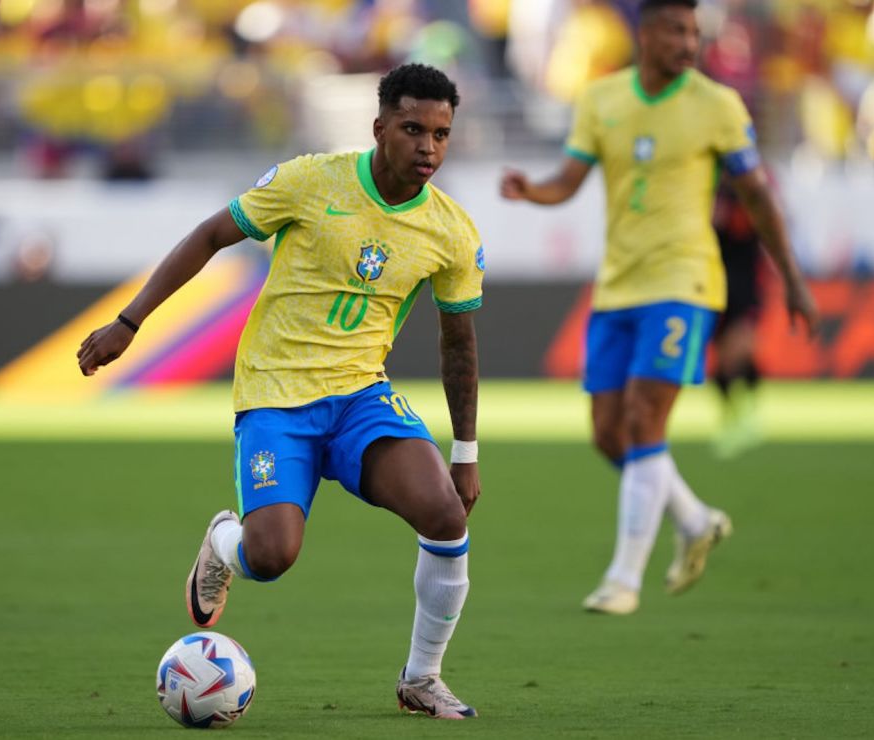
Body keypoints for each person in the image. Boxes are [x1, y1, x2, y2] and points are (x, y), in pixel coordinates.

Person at [77, 63, 484, 718]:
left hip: (359, 397)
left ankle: (421, 677)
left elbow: (458, 344)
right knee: (270, 557)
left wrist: (465, 451)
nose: (428, 148)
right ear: (379, 128)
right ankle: (224, 544)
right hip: (276, 394)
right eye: (413, 129)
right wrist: (130, 321)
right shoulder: (309, 180)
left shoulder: (452, 231)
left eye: (441, 134)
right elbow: (212, 234)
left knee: (445, 513)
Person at [500, 0, 818, 615]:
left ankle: (624, 579)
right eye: (677, 30)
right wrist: (531, 190)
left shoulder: (718, 105)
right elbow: (570, 179)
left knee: (645, 421)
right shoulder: (601, 100)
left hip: (685, 281)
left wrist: (795, 279)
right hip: (618, 285)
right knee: (606, 435)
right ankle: (695, 520)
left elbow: (757, 195)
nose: (689, 42)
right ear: (646, 35)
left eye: (695, 32)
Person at [711, 182, 765, 458]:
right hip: (714, 290)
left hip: (745, 291)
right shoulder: (710, 191)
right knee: (721, 364)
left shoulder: (750, 194)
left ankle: (747, 417)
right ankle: (731, 418)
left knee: (739, 353)